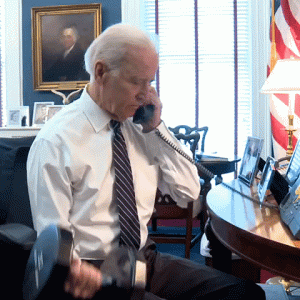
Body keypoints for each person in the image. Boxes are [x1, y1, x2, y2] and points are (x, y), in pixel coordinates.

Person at [27, 23, 266, 300]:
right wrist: (78, 271)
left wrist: (157, 128)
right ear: (101, 72)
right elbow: (53, 239)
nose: (146, 94)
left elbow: (188, 192)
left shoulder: (141, 128)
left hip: (142, 260)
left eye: (150, 82)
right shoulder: (55, 141)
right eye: (136, 81)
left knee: (245, 294)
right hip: (92, 272)